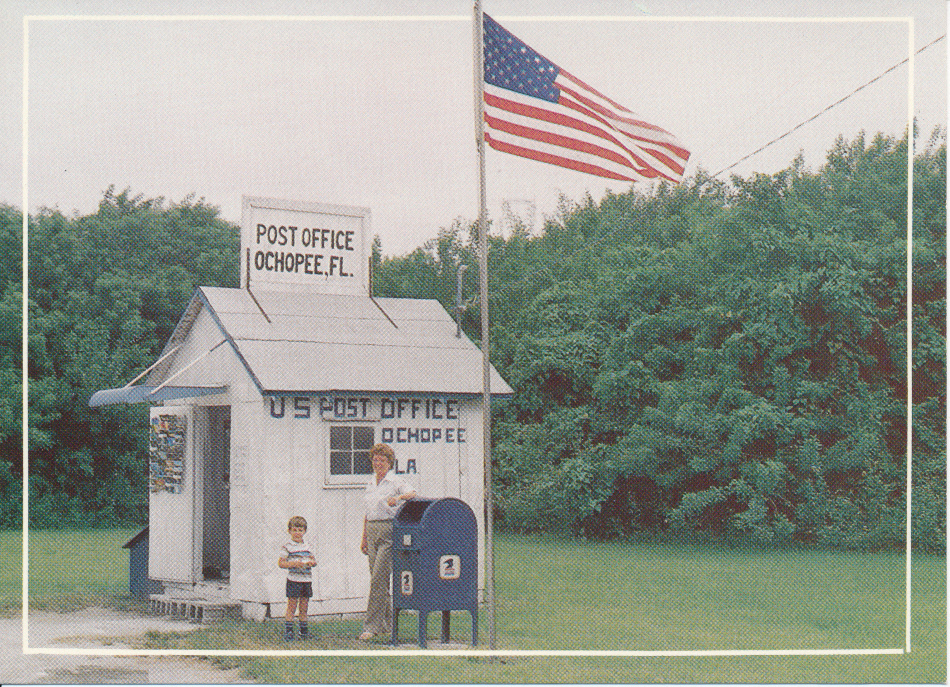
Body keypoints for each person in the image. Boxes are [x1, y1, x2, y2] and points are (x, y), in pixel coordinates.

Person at [358, 443, 416, 641]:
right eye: (375, 460)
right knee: (378, 579)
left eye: (382, 460)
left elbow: (412, 494)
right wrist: (364, 537)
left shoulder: (394, 481)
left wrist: (397, 498)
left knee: (378, 579)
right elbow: (368, 512)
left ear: (389, 462)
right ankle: (386, 624)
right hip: (372, 529)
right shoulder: (370, 483)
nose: (378, 463)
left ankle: (371, 626)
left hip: (389, 530)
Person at [278, 515, 316, 642]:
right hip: (293, 580)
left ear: (304, 531)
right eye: (295, 530)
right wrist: (294, 563)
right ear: (289, 531)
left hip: (306, 580)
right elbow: (281, 563)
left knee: (304, 607)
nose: (297, 533)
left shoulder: (308, 546)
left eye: (300, 530)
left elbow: (313, 560)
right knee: (292, 606)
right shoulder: (287, 546)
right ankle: (289, 632)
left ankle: (303, 632)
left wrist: (312, 563)